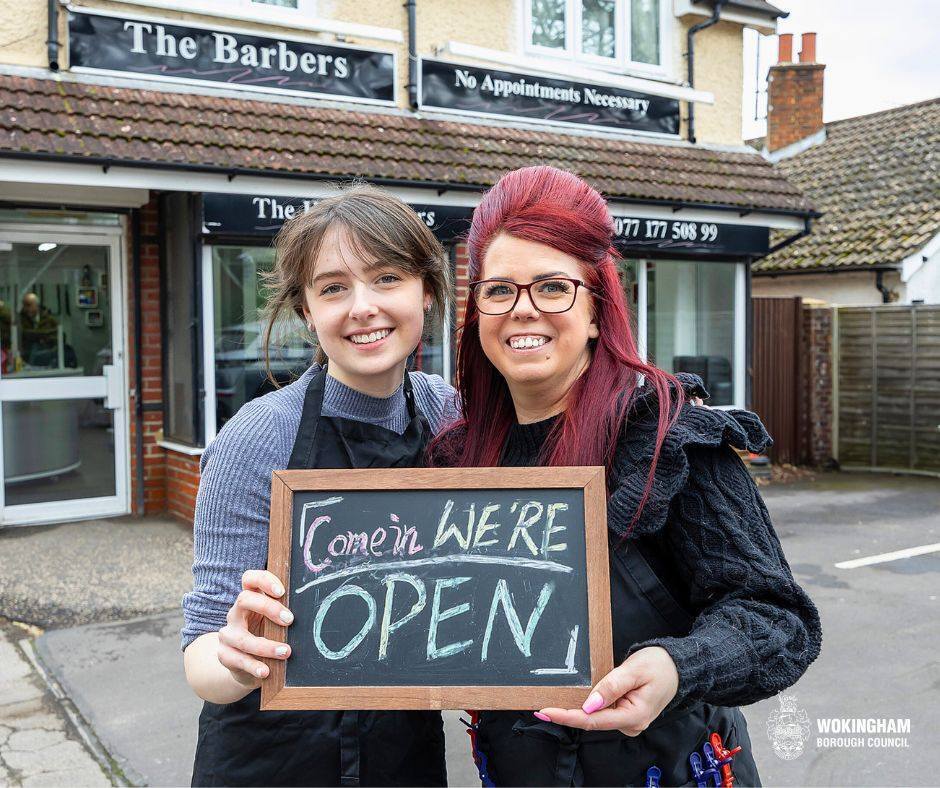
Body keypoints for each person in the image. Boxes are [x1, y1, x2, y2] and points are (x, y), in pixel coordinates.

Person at [429, 166, 822, 787]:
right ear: (476, 309)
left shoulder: (666, 439)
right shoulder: (456, 461)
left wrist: (675, 665)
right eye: (498, 290)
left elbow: (777, 619)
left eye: (554, 287)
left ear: (595, 309)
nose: (522, 310)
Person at [182, 185, 459, 787]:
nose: (362, 307)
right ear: (307, 312)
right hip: (271, 758)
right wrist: (235, 655)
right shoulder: (257, 437)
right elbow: (202, 657)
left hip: (404, 756)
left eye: (387, 278)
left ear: (428, 293)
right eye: (333, 287)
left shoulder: (447, 418)